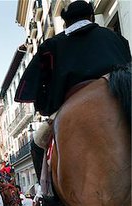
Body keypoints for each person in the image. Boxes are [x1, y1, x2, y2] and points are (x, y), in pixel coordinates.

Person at [15, 0, 131, 179]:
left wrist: (46, 107)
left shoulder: (52, 45)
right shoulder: (115, 38)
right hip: (120, 93)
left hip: (72, 99)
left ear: (66, 23)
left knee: (37, 143)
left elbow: (41, 88)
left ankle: (49, 197)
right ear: (91, 17)